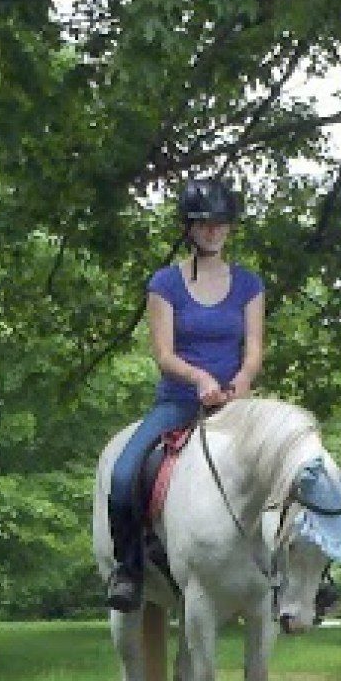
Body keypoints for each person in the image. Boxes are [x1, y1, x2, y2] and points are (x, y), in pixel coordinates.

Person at [105, 177, 265, 611]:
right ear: (189, 228)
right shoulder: (165, 284)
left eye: (220, 223)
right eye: (203, 223)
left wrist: (243, 379)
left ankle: (303, 576)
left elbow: (253, 351)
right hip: (178, 402)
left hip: (235, 407)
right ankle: (129, 569)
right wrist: (199, 379)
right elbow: (164, 355)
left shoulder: (249, 284)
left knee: (290, 469)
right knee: (122, 477)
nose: (213, 230)